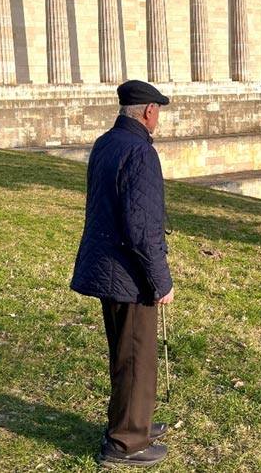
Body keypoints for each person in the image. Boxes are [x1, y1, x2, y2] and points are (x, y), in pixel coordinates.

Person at [71, 79, 175, 468]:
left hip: (106, 266)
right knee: (136, 357)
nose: (158, 117)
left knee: (125, 354)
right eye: (158, 111)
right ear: (148, 112)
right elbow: (142, 228)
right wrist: (161, 281)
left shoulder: (106, 143)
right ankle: (126, 443)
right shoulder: (140, 152)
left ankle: (136, 422)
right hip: (128, 274)